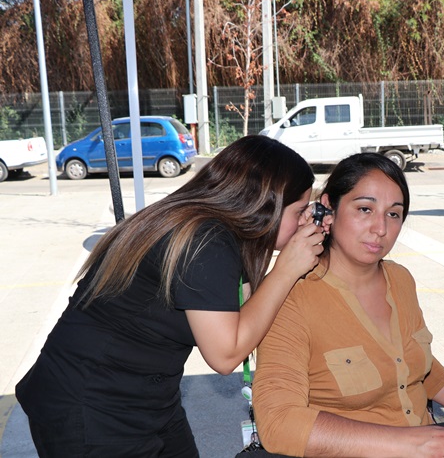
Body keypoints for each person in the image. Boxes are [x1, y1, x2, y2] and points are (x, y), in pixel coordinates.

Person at [15, 135, 328, 457]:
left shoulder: (212, 229)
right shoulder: (204, 240)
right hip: (92, 404)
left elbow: (245, 309)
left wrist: (294, 258)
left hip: (143, 396)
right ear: (264, 205)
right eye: (301, 210)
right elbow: (225, 354)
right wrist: (286, 270)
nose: (306, 219)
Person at [251, 153, 444, 458]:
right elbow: (279, 423)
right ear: (329, 209)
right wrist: (414, 443)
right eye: (365, 209)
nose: (380, 228)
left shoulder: (401, 280)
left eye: (394, 214)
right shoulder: (290, 297)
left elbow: (415, 365)